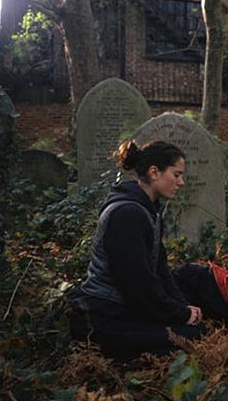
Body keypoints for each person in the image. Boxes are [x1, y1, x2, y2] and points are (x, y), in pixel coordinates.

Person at [66, 140, 205, 361]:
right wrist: (180, 314)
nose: (181, 182)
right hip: (101, 319)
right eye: (176, 175)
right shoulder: (127, 214)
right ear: (154, 172)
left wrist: (184, 308)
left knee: (195, 326)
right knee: (190, 338)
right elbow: (137, 285)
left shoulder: (148, 211)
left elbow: (160, 271)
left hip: (125, 311)